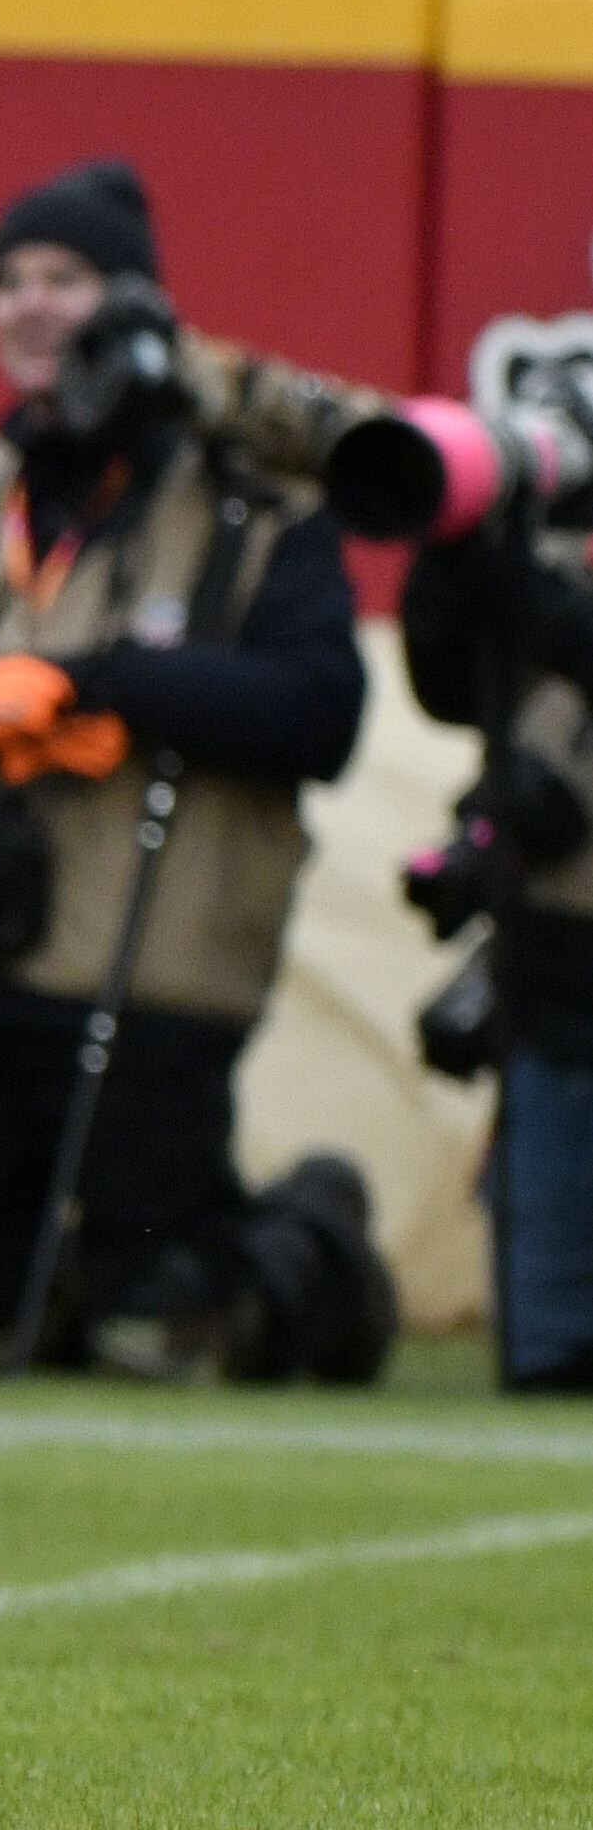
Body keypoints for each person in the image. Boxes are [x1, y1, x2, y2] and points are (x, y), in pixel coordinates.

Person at [0, 162, 379, 1380]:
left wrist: (100, 682)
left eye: (59, 279)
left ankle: (305, 1253)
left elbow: (320, 714)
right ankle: (51, 1280)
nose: (26, 305)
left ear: (131, 306)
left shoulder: (252, 504)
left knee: (154, 1341)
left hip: (148, 973)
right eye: (4, 282)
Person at [390, 493, 593, 1392]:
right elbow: (448, 686)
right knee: (545, 1348)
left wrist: (537, 603)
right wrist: (447, 556)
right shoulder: (549, 530)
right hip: (553, 968)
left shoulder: (548, 583)